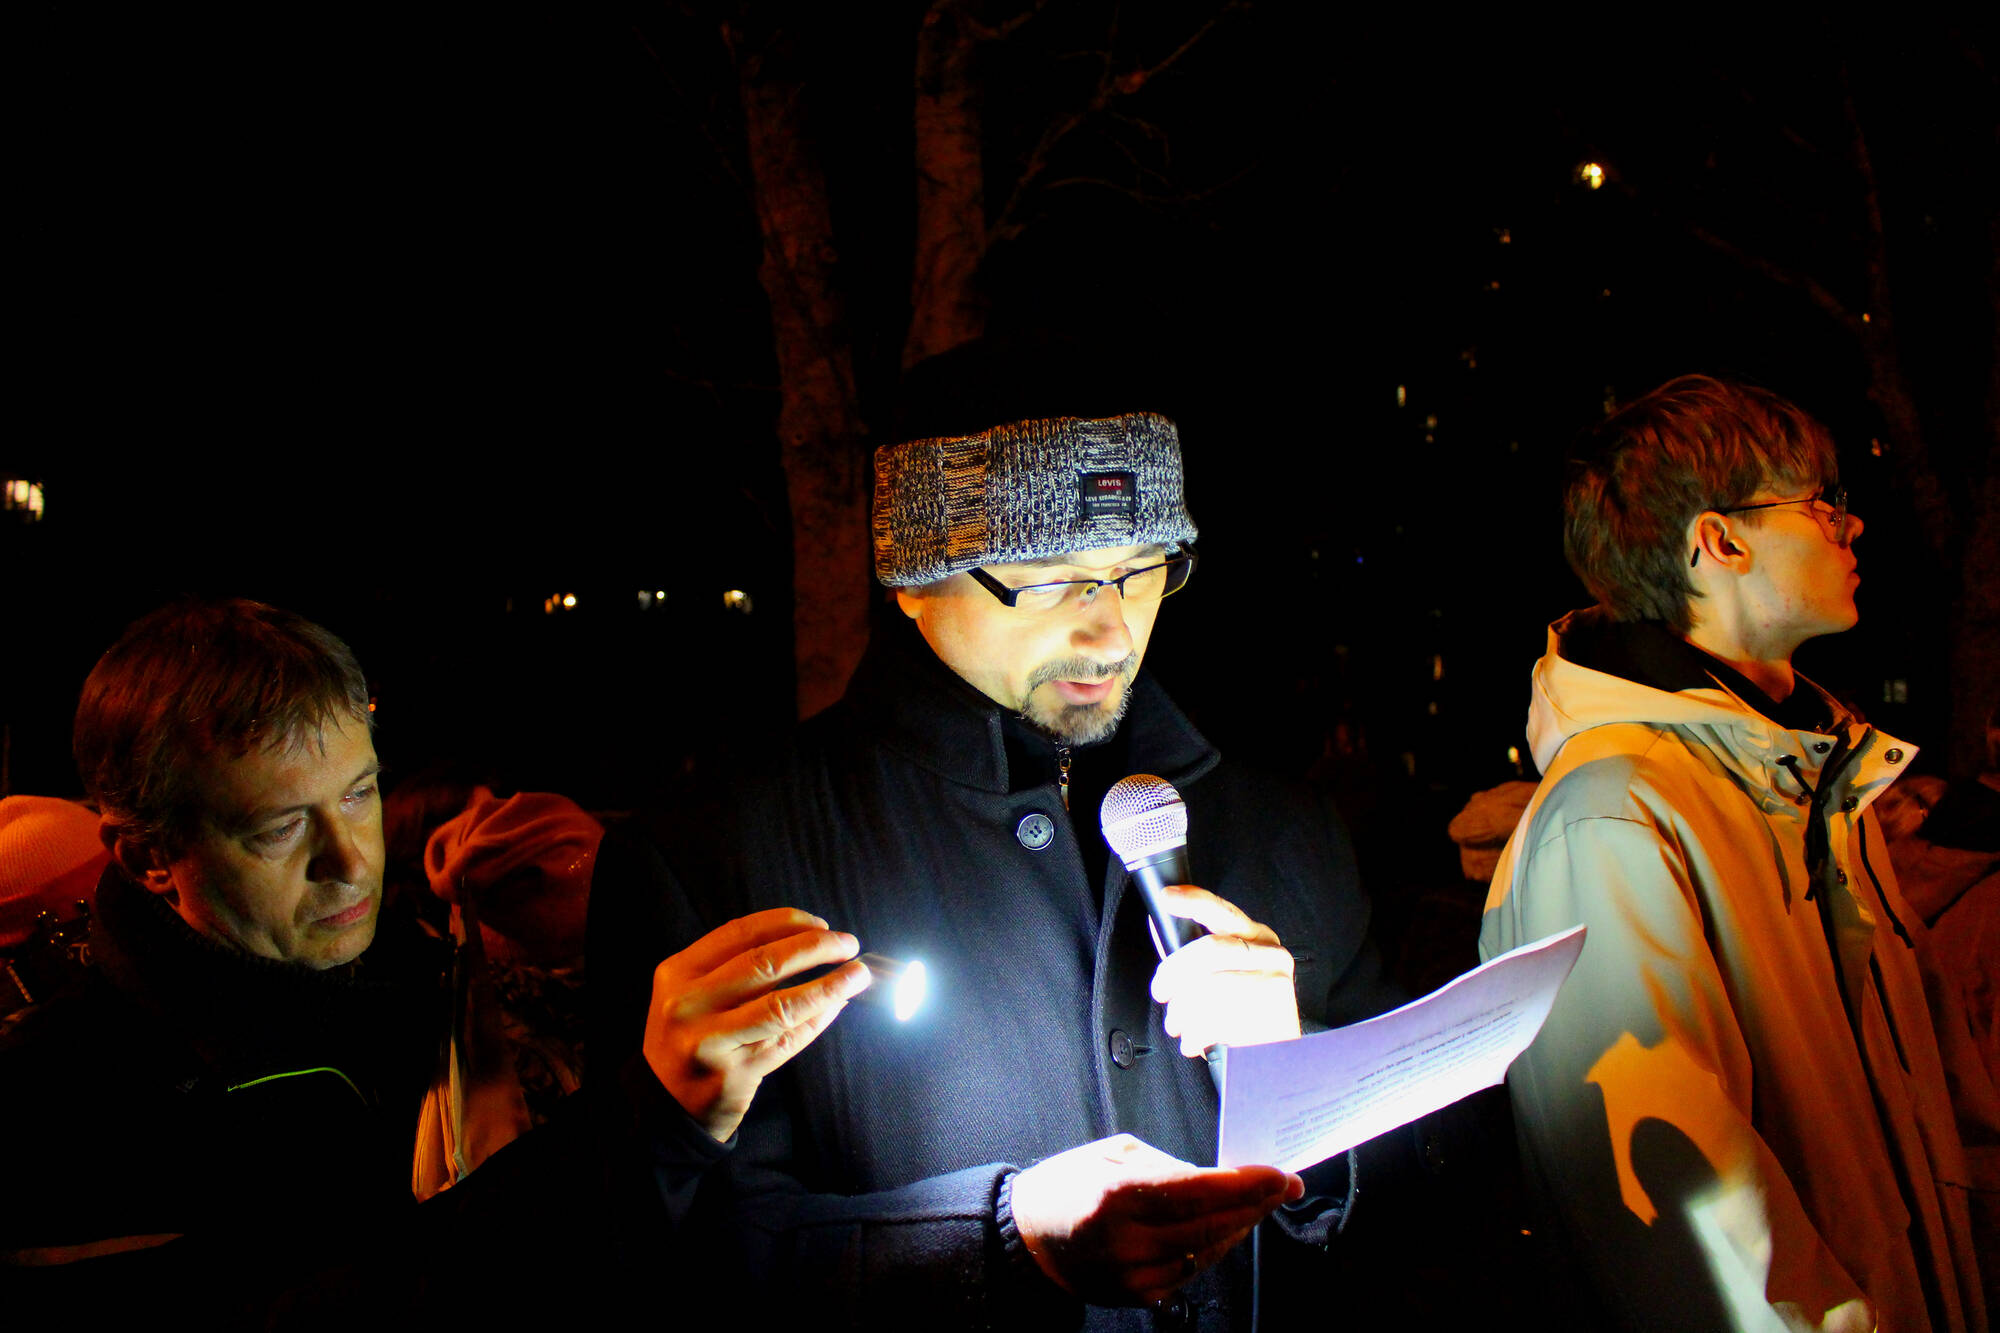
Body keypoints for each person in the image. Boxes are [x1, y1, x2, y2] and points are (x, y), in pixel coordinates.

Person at [592, 410, 1408, 1327]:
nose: (1111, 631)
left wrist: (1303, 1095)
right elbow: (688, 1262)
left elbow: (1431, 1200)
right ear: (914, 580)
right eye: (1050, 578)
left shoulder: (1286, 828)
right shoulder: (713, 857)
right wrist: (1003, 1242)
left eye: (1142, 569)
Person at [0, 598, 863, 1323]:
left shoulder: (417, 975)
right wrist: (655, 1127)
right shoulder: (61, 1117)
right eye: (280, 828)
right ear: (150, 857)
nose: (351, 860)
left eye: (359, 793)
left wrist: (605, 953)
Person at [1480, 376, 1999, 1331]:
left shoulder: (1817, 785)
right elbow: (1686, 1223)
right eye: (1822, 502)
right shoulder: (1615, 814)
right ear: (1720, 542)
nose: (1851, 525)